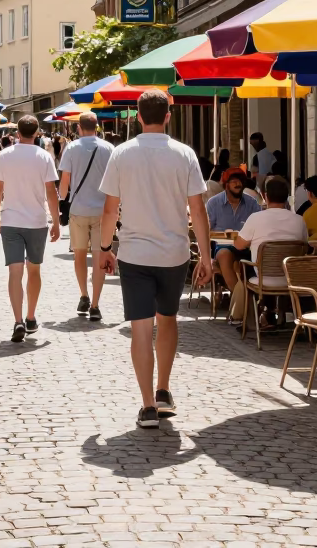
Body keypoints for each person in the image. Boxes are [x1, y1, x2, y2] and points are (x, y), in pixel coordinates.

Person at [97, 90, 212, 428]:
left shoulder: (121, 154)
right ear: (168, 115)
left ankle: (148, 405)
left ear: (136, 114)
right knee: (169, 319)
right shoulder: (184, 154)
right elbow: (198, 209)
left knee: (141, 329)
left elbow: (109, 208)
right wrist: (205, 255)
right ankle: (163, 389)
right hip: (174, 252)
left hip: (134, 252)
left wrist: (105, 248)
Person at [0, 115, 61, 341]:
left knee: (14, 271)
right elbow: (51, 192)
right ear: (38, 132)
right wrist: (56, 221)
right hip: (36, 221)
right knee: (34, 270)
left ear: (17, 133)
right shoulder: (44, 157)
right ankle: (31, 316)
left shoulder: (4, 155)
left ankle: (18, 320)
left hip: (10, 220)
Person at [57, 111, 114, 321]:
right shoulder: (109, 148)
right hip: (103, 211)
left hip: (79, 210)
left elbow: (65, 181)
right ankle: (96, 305)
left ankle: (84, 295)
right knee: (100, 257)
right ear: (97, 127)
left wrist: (62, 199)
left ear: (79, 128)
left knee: (79, 255)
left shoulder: (71, 148)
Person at [232, 176, 308, 326]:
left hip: (263, 278)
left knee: (243, 266)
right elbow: (304, 245)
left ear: (265, 196)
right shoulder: (299, 220)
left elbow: (239, 245)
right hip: (291, 279)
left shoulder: (256, 218)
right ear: (287, 197)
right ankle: (276, 312)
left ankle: (252, 316)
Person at [207, 167, 262, 303]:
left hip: (247, 246)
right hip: (222, 246)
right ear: (226, 185)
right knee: (225, 255)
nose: (238, 184)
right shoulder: (214, 203)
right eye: (234, 181)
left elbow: (259, 226)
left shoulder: (252, 203)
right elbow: (207, 230)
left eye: (241, 181)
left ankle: (252, 303)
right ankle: (245, 302)